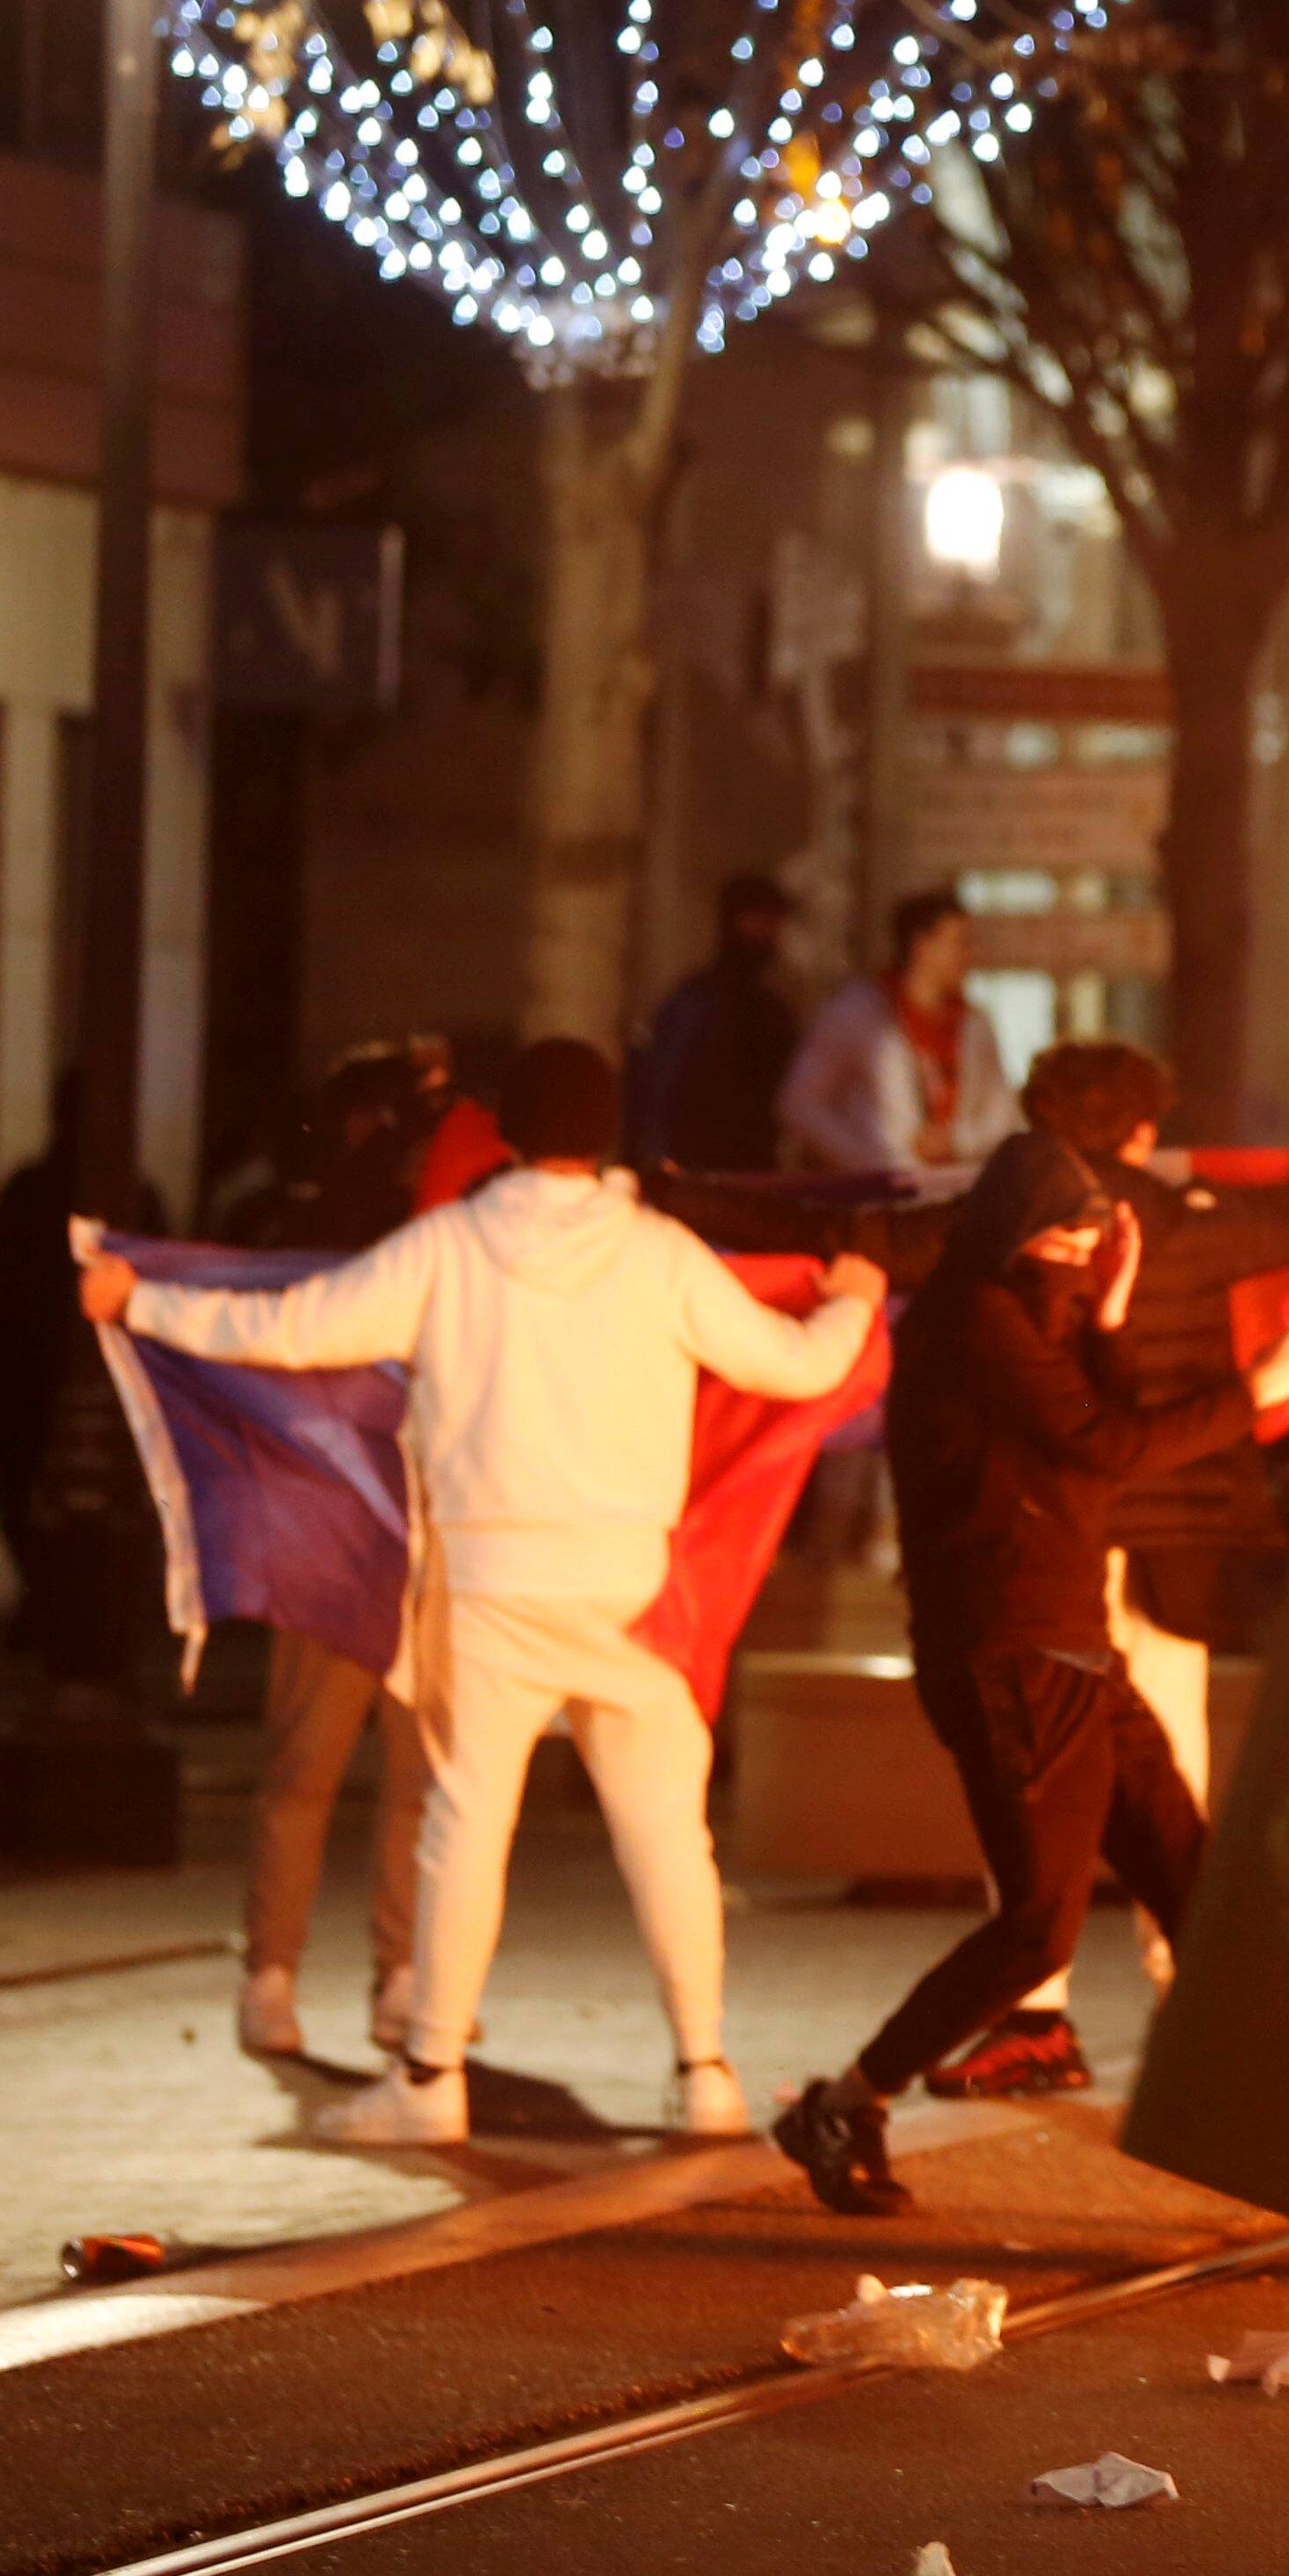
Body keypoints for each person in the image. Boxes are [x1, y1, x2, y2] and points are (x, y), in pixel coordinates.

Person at [82, 1040, 884, 2141]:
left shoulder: (448, 1248)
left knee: (464, 1827)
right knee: (667, 1833)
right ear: (604, 1135)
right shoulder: (660, 1253)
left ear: (505, 1131)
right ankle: (705, 2072)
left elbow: (289, 1327)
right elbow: (791, 1367)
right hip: (631, 1581)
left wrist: (143, 1302)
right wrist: (851, 1302)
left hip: (493, 1574)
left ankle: (429, 2083)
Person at [770, 1136, 1259, 2216]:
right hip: (1012, 1656)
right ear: (1012, 1237)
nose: (1081, 1262)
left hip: (1071, 1643)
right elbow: (1106, 1445)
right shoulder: (973, 1324)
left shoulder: (1030, 1319)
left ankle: (1259, 2119)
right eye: (1066, 1240)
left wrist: (1117, 1319)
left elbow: (1092, 1442)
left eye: (1093, 1244)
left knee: (1193, 1883)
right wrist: (1251, 1396)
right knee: (1038, 1924)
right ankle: (846, 2103)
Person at [924, 1040, 1289, 2098]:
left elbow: (846, 1225)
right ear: (1144, 1130)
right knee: (1170, 1785)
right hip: (1170, 1547)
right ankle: (1183, 1996)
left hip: (1049, 1547)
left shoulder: (1003, 1239)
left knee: (1035, 1790)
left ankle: (1035, 2018)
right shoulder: (1194, 1228)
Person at [224, 1047, 464, 2061]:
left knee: (412, 1770)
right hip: (338, 1525)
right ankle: (278, 1970)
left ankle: (394, 1974)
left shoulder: (431, 1236)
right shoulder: (321, 1234)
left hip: (405, 1521)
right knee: (316, 1765)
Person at [0, 1069, 170, 1699]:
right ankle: (60, 1613)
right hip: (41, 1376)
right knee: (39, 1494)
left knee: (67, 1500)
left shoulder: (118, 1192)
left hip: (72, 1380)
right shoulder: (42, 1194)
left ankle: (77, 1621)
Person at [777, 890, 1014, 1174]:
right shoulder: (858, 1013)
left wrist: (960, 1141)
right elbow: (801, 1103)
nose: (968, 955)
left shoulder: (975, 1024)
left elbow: (1004, 1113)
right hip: (877, 1195)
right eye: (959, 943)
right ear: (921, 944)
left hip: (955, 1191)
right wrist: (867, 1162)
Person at [634, 870, 807, 1176]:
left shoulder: (774, 1009)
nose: (767, 932)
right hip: (698, 1169)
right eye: (757, 920)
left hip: (754, 1172)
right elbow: (661, 1086)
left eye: (772, 922)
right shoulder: (696, 1001)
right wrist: (658, 1160)